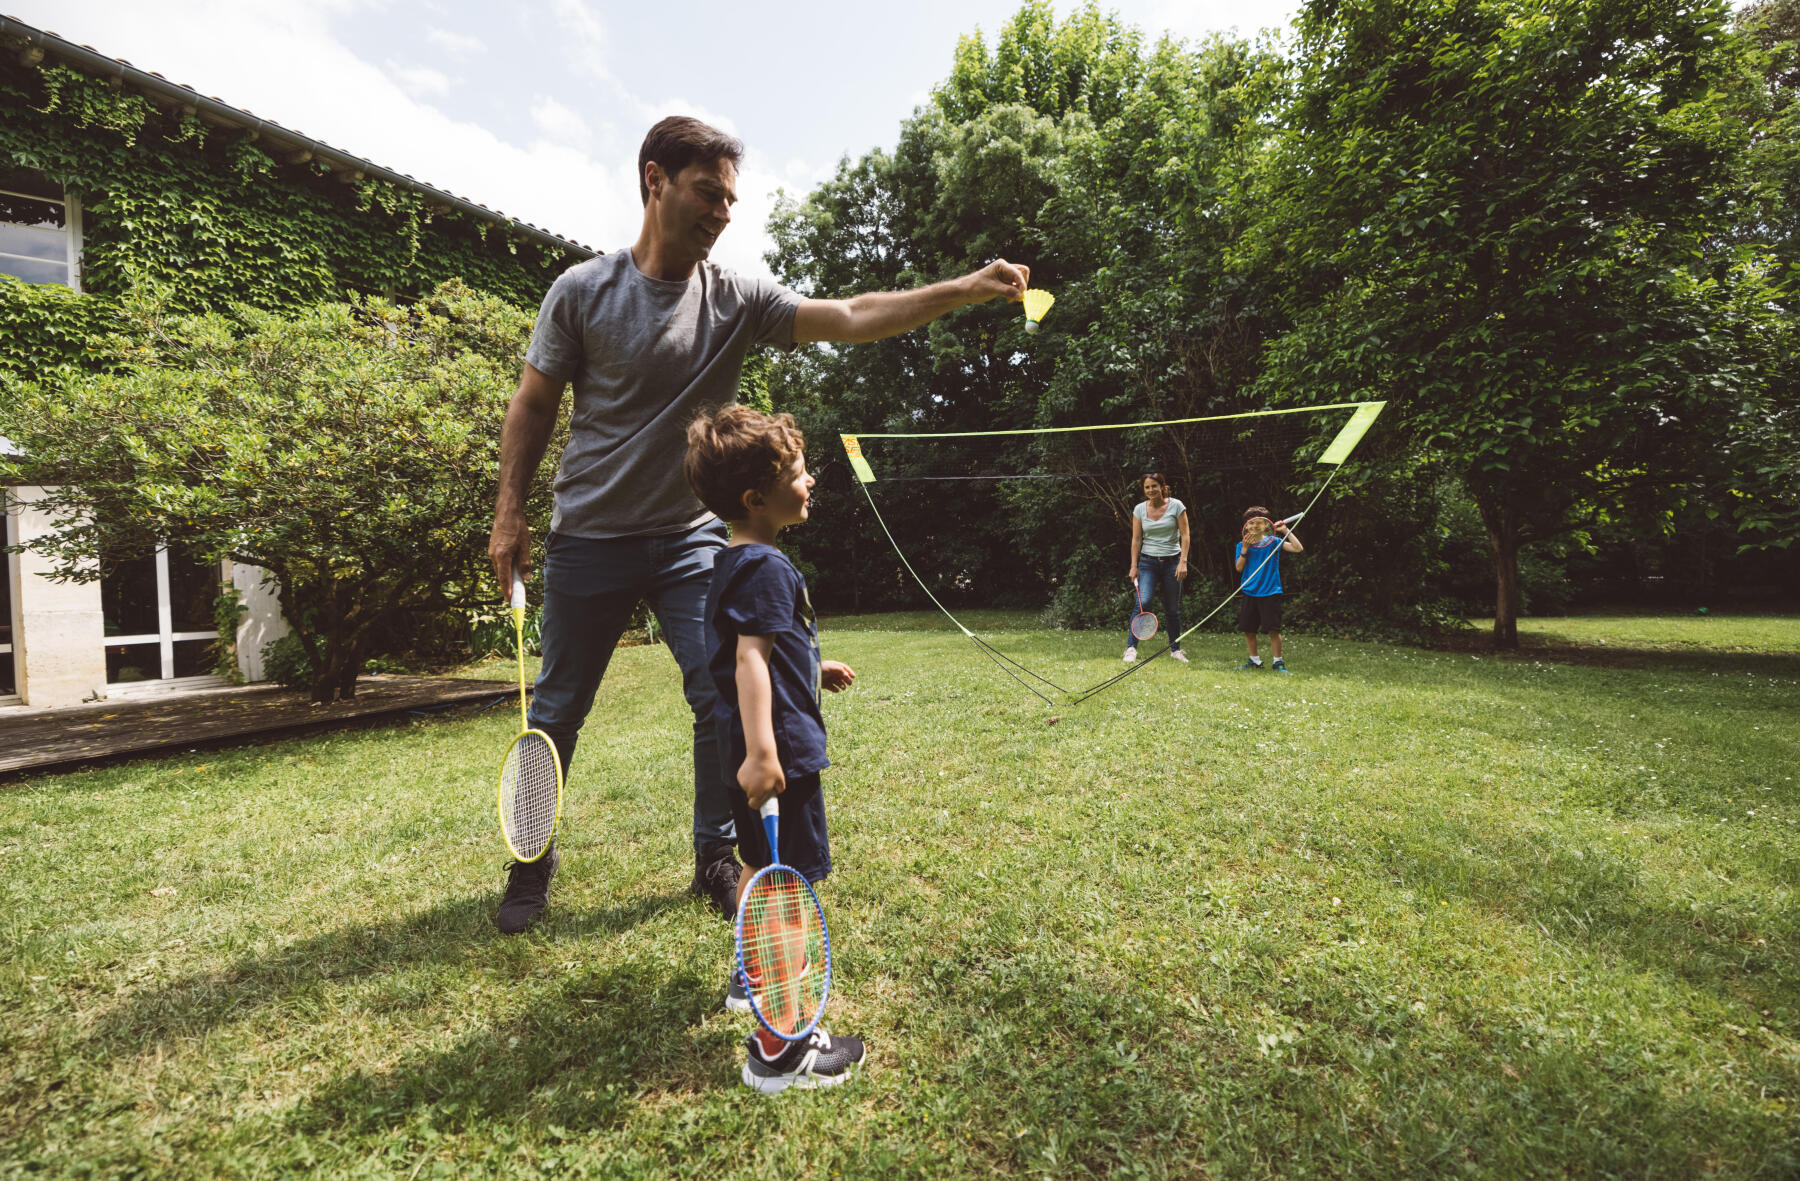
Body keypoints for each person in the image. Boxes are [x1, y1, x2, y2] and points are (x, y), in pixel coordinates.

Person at [486, 115, 1029, 934]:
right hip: (589, 534)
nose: (722, 213)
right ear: (654, 179)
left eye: (731, 200)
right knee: (557, 704)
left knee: (719, 695)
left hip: (690, 539)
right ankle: (529, 859)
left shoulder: (735, 298)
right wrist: (508, 512)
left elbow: (851, 314)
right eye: (708, 193)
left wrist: (962, 289)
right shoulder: (582, 291)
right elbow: (532, 402)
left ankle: (716, 854)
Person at [685, 403, 865, 1092]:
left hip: (757, 752)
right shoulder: (765, 566)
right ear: (757, 498)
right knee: (789, 890)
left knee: (766, 874)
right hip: (779, 759)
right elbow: (749, 663)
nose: (812, 479)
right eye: (798, 471)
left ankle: (751, 982)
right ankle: (783, 1051)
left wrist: (811, 667)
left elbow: (753, 648)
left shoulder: (735, 560)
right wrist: (766, 752)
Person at [1123, 472, 1190, 663]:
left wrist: (1183, 561)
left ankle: (1175, 650)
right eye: (1147, 487)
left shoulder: (1176, 506)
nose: (1151, 490)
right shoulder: (1139, 510)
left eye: (1154, 486)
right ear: (1144, 490)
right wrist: (1133, 566)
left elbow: (1185, 535)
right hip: (1147, 563)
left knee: (1172, 608)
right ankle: (1131, 649)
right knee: (1143, 602)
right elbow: (1136, 540)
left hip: (1172, 562)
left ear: (1162, 487)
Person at [1234, 505, 1303, 673]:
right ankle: (1254, 660)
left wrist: (1286, 530)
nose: (1255, 526)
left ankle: (1278, 662)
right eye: (1252, 523)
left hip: (1270, 591)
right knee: (1249, 629)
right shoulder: (1242, 545)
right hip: (1250, 591)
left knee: (1273, 629)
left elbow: (1297, 548)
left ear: (1266, 525)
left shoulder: (1274, 542)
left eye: (1259, 523)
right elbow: (1239, 568)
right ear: (1246, 526)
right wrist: (1244, 549)